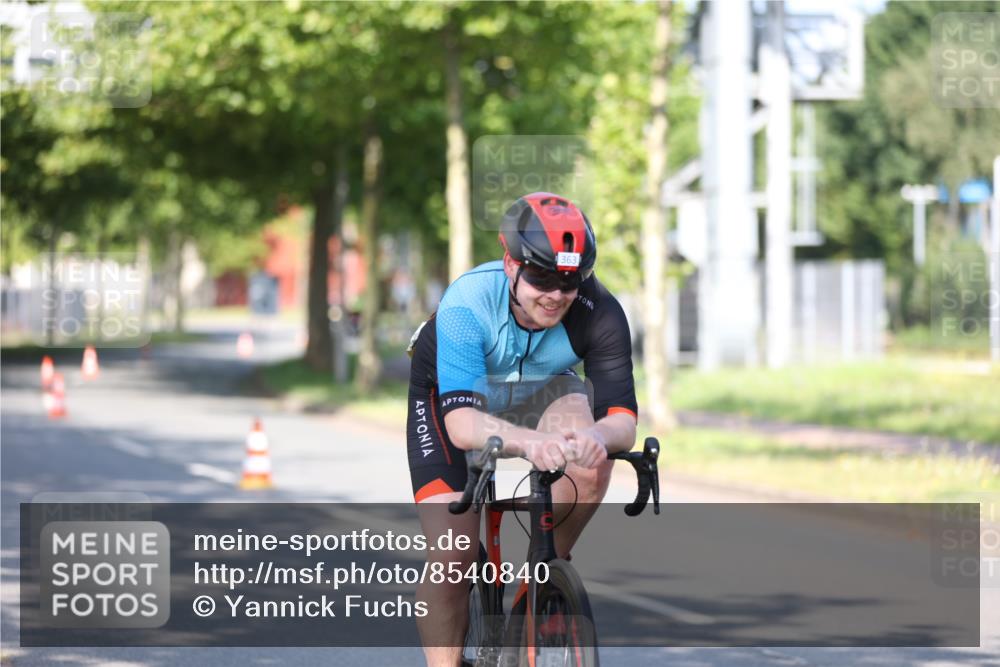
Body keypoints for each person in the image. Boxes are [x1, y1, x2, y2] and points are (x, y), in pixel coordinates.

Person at [405, 192, 638, 667]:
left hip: (542, 385)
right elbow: (463, 425)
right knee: (452, 557)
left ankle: (543, 579)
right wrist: (532, 442)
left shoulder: (600, 311)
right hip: (452, 396)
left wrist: (596, 439)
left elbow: (622, 421)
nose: (555, 294)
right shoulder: (467, 303)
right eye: (542, 278)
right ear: (511, 264)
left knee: (591, 463)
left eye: (569, 281)